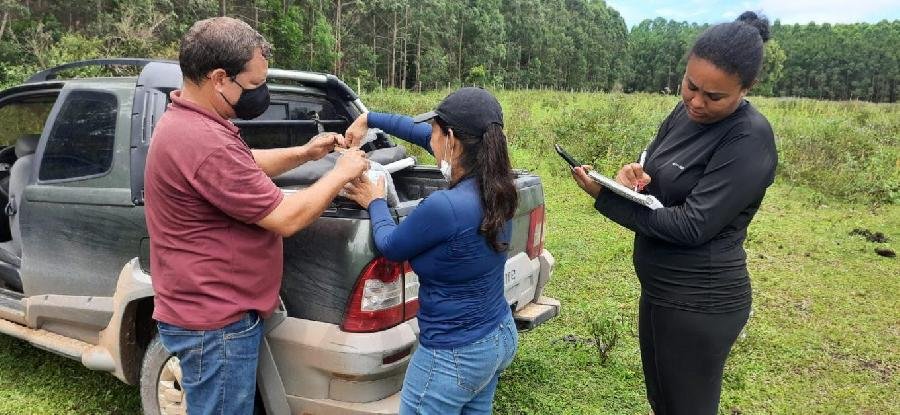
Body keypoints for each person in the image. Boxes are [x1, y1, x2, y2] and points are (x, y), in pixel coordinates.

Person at [144, 17, 368, 414]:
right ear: (219, 78)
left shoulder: (191, 122)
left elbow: (243, 163)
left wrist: (305, 153)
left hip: (208, 313)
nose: (260, 93)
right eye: (253, 83)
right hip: (215, 324)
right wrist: (340, 174)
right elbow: (286, 218)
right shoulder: (204, 140)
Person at [570, 12, 777, 415]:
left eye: (714, 97)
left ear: (747, 88)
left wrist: (608, 199)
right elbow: (655, 175)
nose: (697, 102)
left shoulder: (749, 137)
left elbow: (692, 225)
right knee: (663, 403)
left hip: (700, 303)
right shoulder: (683, 115)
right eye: (690, 86)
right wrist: (632, 178)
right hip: (661, 292)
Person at [342, 87, 519, 414]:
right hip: (498, 334)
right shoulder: (500, 184)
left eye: (434, 132)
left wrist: (375, 201)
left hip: (453, 357)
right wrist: (368, 118)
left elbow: (391, 246)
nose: (429, 138)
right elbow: (418, 133)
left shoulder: (444, 207)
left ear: (451, 140)